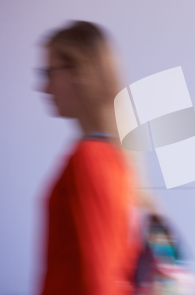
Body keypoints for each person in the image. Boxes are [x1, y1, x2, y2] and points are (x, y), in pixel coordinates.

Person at [37, 21, 141, 295]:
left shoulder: (90, 158)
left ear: (78, 72)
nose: (43, 86)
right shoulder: (112, 155)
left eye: (49, 72)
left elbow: (100, 278)